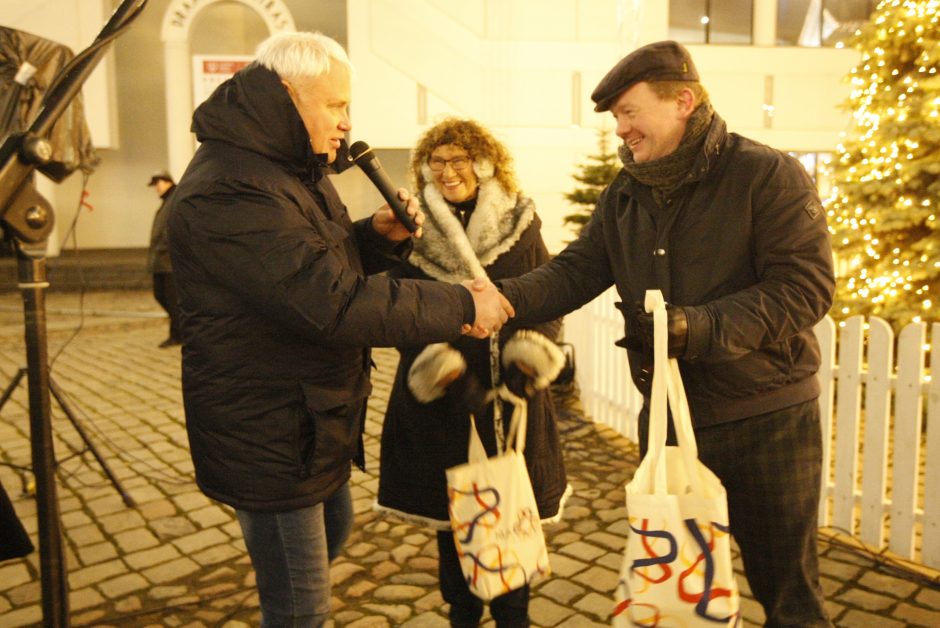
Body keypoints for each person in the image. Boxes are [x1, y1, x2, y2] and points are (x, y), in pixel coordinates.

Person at [166, 31, 513, 627]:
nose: (347, 122)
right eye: (335, 104)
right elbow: (331, 303)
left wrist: (373, 237)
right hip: (270, 432)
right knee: (301, 607)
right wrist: (459, 303)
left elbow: (308, 265)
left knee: (332, 536)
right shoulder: (232, 186)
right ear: (284, 95)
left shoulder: (286, 168)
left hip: (310, 422)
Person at [496, 41, 835, 627]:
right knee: (680, 595)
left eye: (630, 112)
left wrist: (697, 328)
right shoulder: (626, 193)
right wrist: (502, 299)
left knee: (788, 595)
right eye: (617, 117)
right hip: (672, 421)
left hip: (767, 421)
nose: (621, 129)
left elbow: (805, 289)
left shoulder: (765, 174)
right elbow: (575, 271)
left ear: (683, 101)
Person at [375, 118, 570, 628]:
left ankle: (514, 616)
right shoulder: (412, 230)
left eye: (458, 160)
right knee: (453, 521)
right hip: (443, 400)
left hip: (512, 398)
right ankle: (461, 613)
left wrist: (531, 361)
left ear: (482, 164)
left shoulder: (519, 223)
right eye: (437, 162)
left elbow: (547, 295)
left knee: (512, 515)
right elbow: (398, 310)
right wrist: (444, 372)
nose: (447, 171)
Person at [146, 170, 181, 348]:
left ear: (167, 182)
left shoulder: (174, 199)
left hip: (169, 261)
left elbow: (171, 228)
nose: (156, 188)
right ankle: (179, 332)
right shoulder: (167, 201)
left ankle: (178, 334)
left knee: (171, 299)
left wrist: (163, 247)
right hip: (162, 261)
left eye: (158, 183)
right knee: (162, 296)